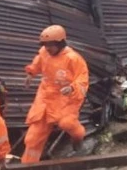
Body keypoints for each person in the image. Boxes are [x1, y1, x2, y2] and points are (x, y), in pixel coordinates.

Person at [21, 25, 90, 163]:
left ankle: (78, 139)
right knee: (32, 139)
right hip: (45, 97)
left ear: (60, 43)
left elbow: (83, 79)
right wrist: (31, 73)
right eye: (45, 45)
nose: (47, 48)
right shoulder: (44, 52)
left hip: (66, 98)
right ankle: (28, 166)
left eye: (50, 45)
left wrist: (72, 88)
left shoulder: (73, 58)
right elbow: (38, 63)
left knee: (67, 123)